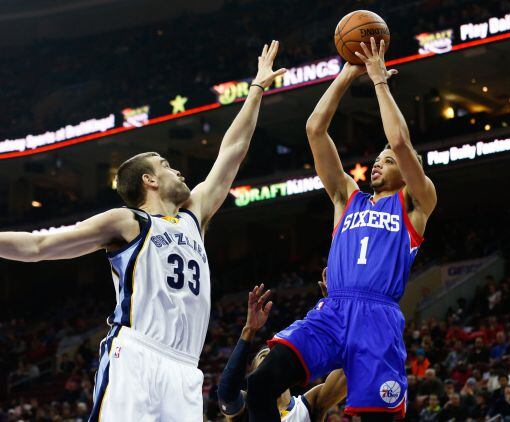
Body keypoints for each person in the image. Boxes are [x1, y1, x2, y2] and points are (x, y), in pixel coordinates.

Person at [0, 41, 286, 421]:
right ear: (149, 180)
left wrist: (257, 89)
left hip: (185, 370)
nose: (179, 170)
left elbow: (232, 150)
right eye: (167, 164)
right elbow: (39, 246)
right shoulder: (128, 222)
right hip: (136, 354)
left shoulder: (193, 216)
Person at [246, 37, 437, 421]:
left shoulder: (416, 202)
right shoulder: (346, 197)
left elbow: (400, 141)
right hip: (333, 310)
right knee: (261, 383)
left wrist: (379, 81)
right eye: (377, 158)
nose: (379, 163)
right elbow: (315, 128)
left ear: (407, 169)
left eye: (387, 160)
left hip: (377, 319)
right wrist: (347, 74)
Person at [218, 280, 347, 422]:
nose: (272, 357)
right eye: (264, 357)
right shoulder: (246, 410)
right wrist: (248, 330)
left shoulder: (307, 405)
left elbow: (348, 372)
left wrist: (336, 314)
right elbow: (227, 393)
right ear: (255, 370)